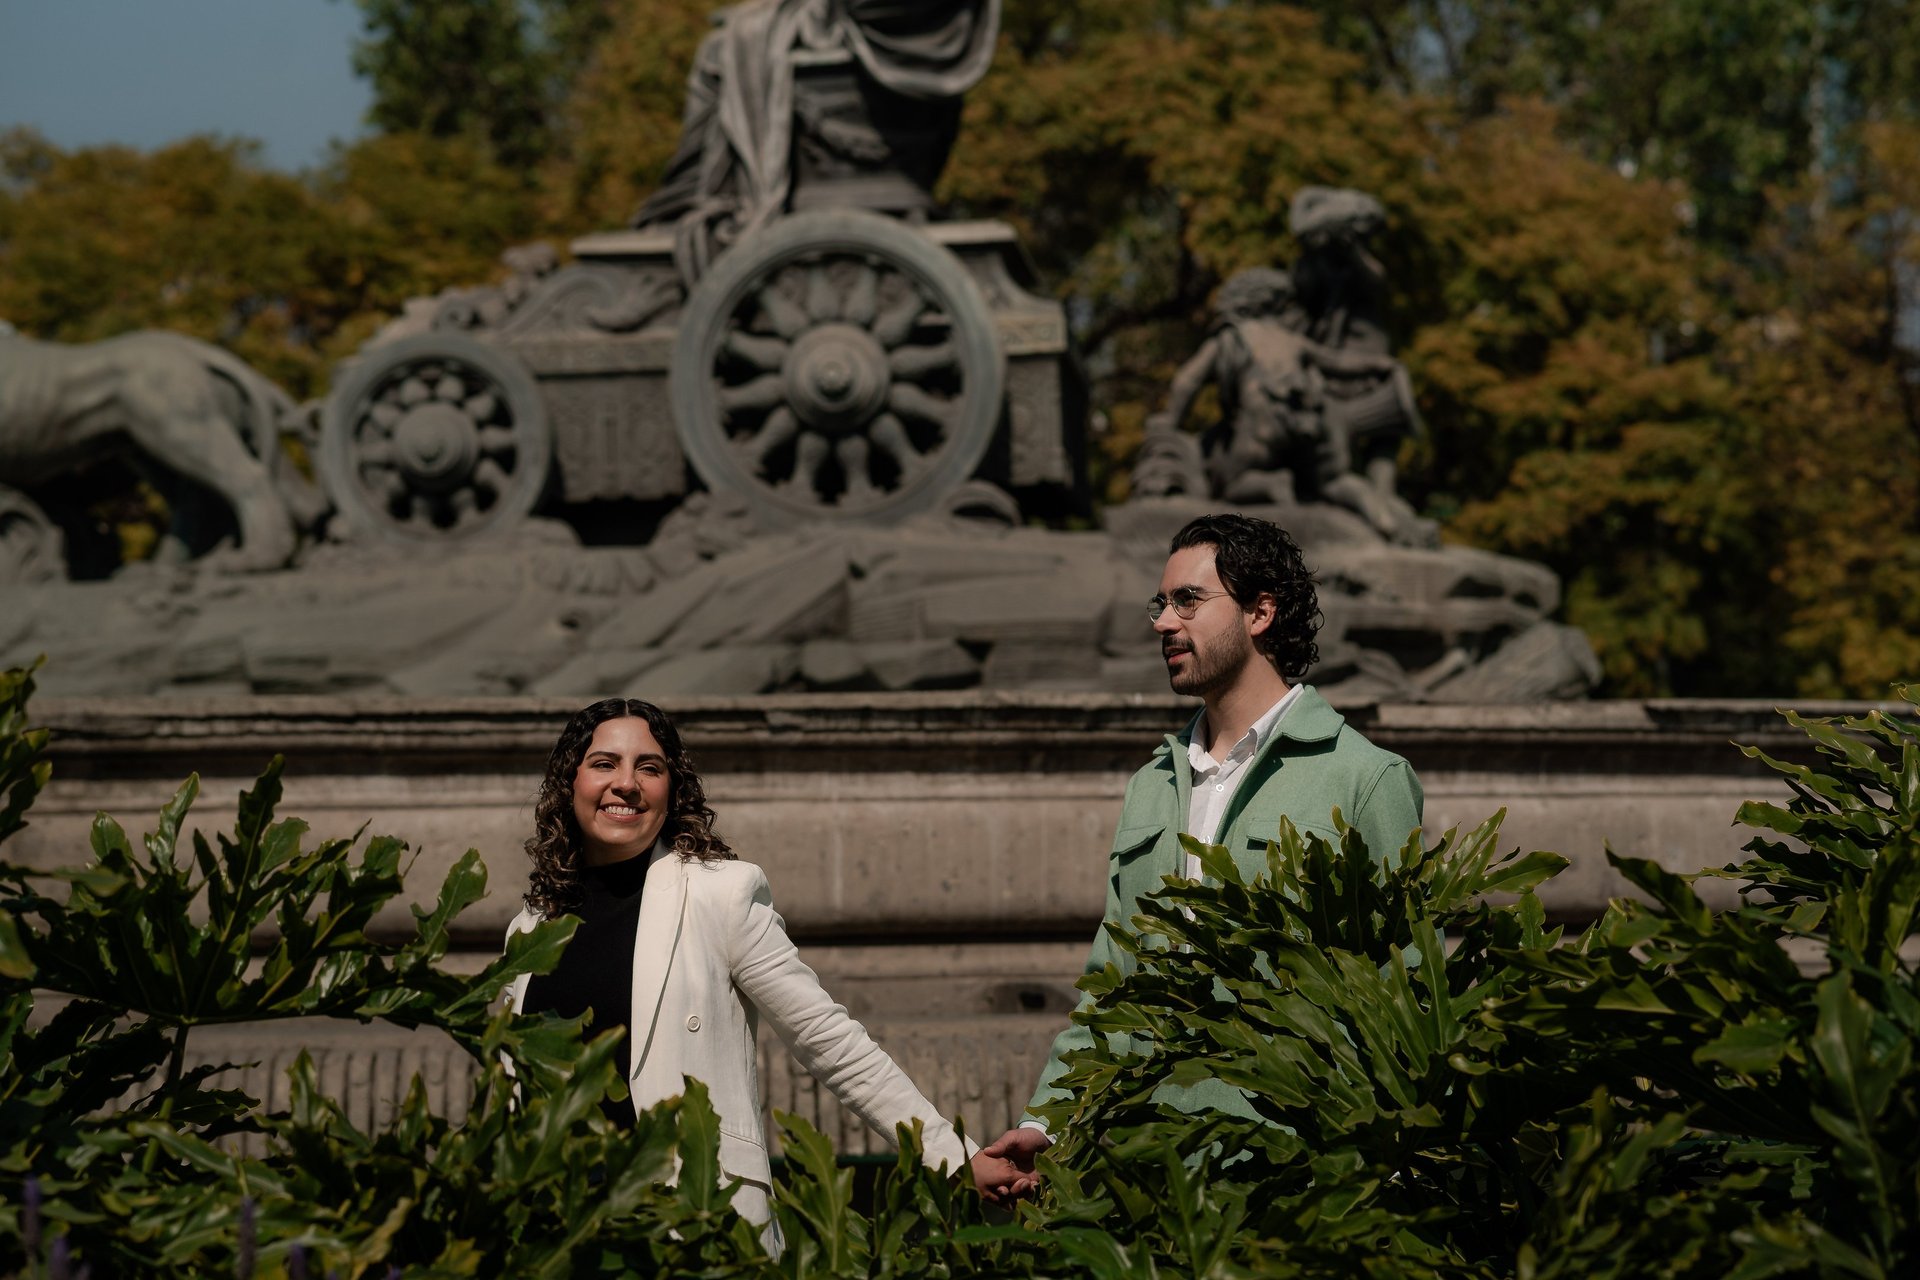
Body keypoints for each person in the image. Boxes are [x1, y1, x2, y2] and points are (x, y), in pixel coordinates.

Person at [975, 513, 1425, 1198]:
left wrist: (1384, 1182)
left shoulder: (1365, 778)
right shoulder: (1151, 785)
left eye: (1188, 600)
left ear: (1260, 613)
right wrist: (1048, 1123)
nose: (1163, 622)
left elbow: (1403, 995)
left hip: (1304, 1180)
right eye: (1161, 603)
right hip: (1152, 1177)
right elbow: (1113, 987)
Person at [503, 698, 1016, 1244]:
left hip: (690, 1221)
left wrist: (953, 1156)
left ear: (672, 790)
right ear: (570, 782)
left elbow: (825, 1036)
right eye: (604, 763)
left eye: (648, 768)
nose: (626, 783)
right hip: (553, 1229)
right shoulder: (529, 929)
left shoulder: (720, 893)